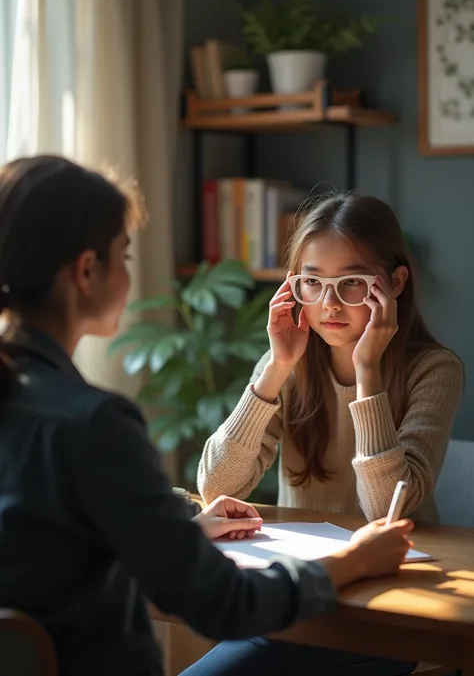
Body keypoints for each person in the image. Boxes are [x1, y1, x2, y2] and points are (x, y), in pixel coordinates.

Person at [0, 156, 416, 676]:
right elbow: (225, 603)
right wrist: (352, 563)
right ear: (87, 271)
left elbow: (48, 554)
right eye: (124, 255)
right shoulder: (94, 424)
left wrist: (182, 535)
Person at [197, 192, 463, 524]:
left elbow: (384, 510)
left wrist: (367, 370)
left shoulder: (435, 371)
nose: (329, 303)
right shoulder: (284, 363)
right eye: (312, 282)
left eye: (352, 282)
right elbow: (215, 488)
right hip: (308, 561)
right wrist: (277, 368)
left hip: (402, 562)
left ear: (396, 282)